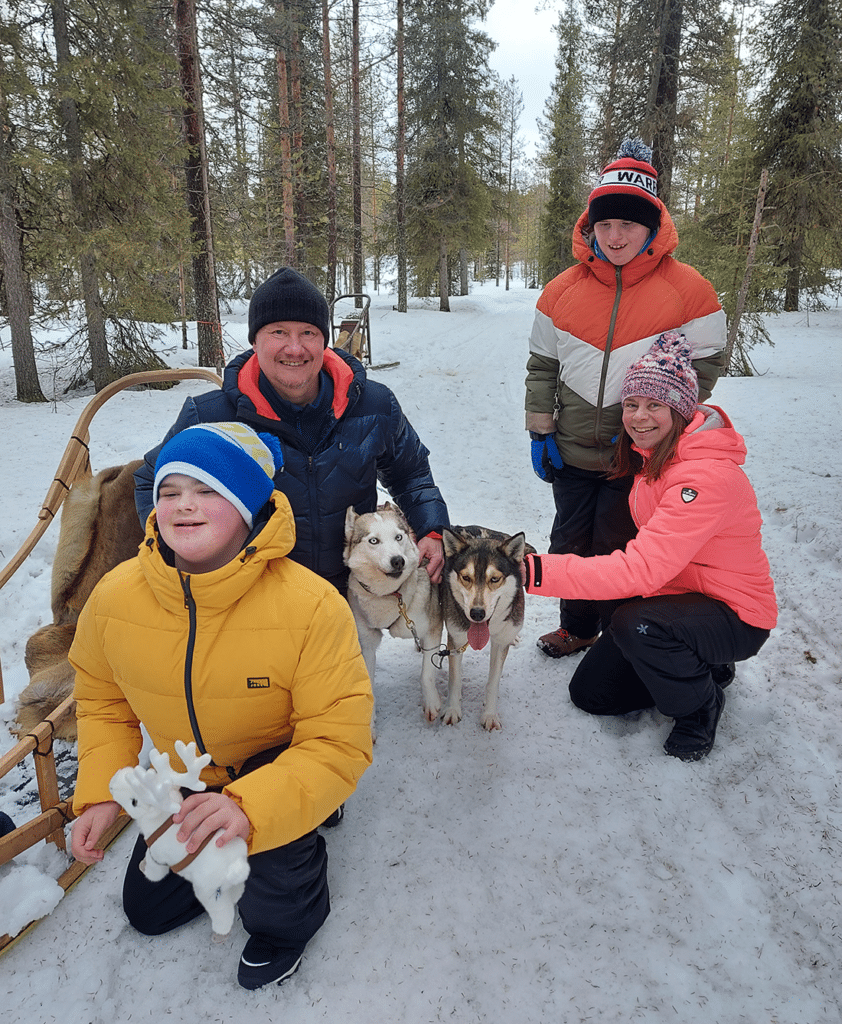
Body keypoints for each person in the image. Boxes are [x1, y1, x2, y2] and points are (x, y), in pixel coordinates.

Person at [70, 422, 373, 989]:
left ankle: (293, 888)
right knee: (148, 911)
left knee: (272, 896)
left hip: (273, 765)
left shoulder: (311, 607)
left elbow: (338, 739)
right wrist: (101, 792)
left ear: (248, 505)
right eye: (169, 491)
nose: (183, 506)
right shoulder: (114, 597)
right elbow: (103, 701)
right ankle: (239, 828)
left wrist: (252, 808)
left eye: (208, 489)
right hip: (186, 767)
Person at [521, 332, 776, 761]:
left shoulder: (703, 478)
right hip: (679, 599)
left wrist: (531, 570)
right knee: (592, 695)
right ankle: (701, 665)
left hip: (734, 615)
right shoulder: (655, 460)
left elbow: (640, 569)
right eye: (632, 405)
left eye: (654, 405)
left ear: (680, 411)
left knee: (635, 624)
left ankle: (700, 709)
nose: (639, 417)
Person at [525, 138, 727, 658]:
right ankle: (576, 625)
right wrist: (539, 429)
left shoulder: (689, 291)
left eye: (628, 225)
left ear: (652, 229)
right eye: (605, 225)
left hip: (633, 456)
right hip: (569, 451)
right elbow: (543, 366)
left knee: (619, 546)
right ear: (589, 228)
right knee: (569, 541)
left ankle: (620, 635)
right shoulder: (561, 291)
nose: (615, 236)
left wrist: (661, 424)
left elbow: (707, 362)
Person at [134, 267, 449, 594]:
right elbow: (150, 481)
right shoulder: (212, 417)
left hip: (348, 598)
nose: (295, 349)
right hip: (252, 599)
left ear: (324, 340)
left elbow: (410, 472)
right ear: (255, 340)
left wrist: (432, 529)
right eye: (278, 332)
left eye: (308, 333)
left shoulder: (373, 405)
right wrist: (180, 552)